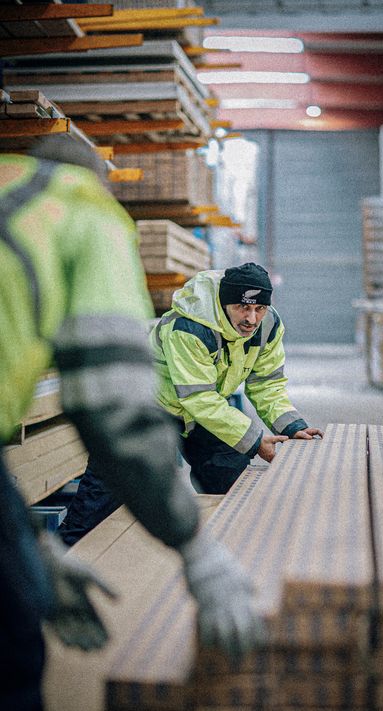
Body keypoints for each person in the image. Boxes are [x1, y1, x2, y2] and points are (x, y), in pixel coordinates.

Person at [0, 136, 262, 711]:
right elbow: (115, 414)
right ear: (99, 179)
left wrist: (25, 540)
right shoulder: (85, 213)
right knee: (13, 656)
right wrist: (196, 550)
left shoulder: (8, 186)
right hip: (171, 414)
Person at [60, 263, 323, 543]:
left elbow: (266, 384)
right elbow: (198, 396)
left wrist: (293, 426)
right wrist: (257, 441)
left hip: (200, 414)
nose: (251, 318)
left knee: (232, 481)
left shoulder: (268, 327)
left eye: (260, 308)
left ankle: (237, 548)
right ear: (224, 303)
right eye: (242, 308)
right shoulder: (190, 326)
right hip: (147, 407)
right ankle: (63, 555)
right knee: (100, 497)